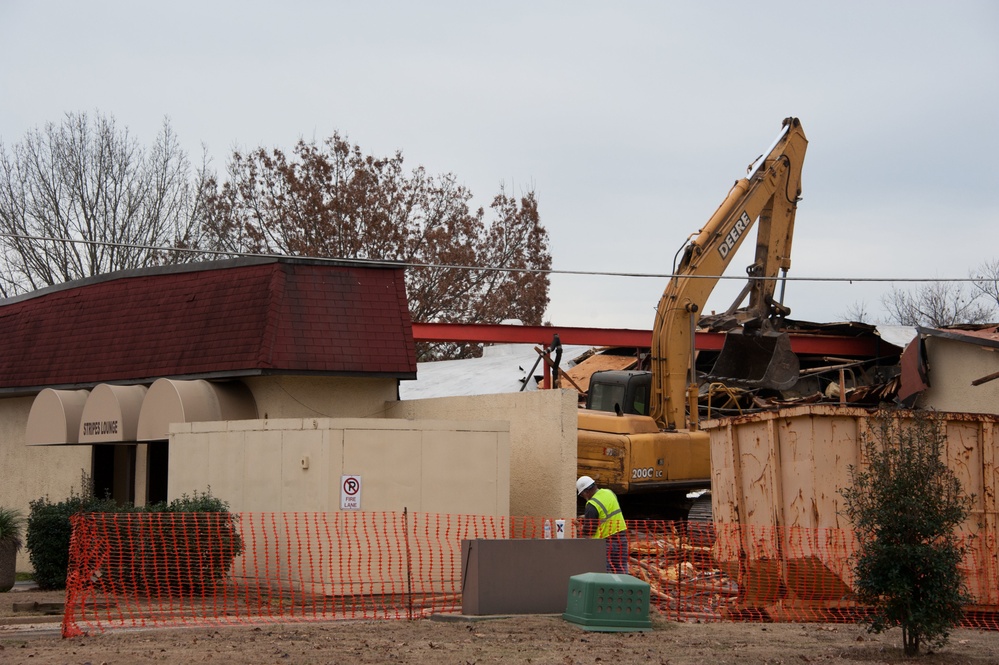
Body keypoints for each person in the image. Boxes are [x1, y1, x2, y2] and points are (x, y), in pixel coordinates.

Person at [576, 475, 628, 574]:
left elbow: (589, 532)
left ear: (586, 492)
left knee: (604, 574)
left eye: (582, 495)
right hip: (621, 538)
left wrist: (580, 528)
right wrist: (586, 517)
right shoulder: (609, 493)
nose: (583, 497)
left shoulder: (592, 505)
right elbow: (607, 513)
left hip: (605, 543)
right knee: (621, 570)